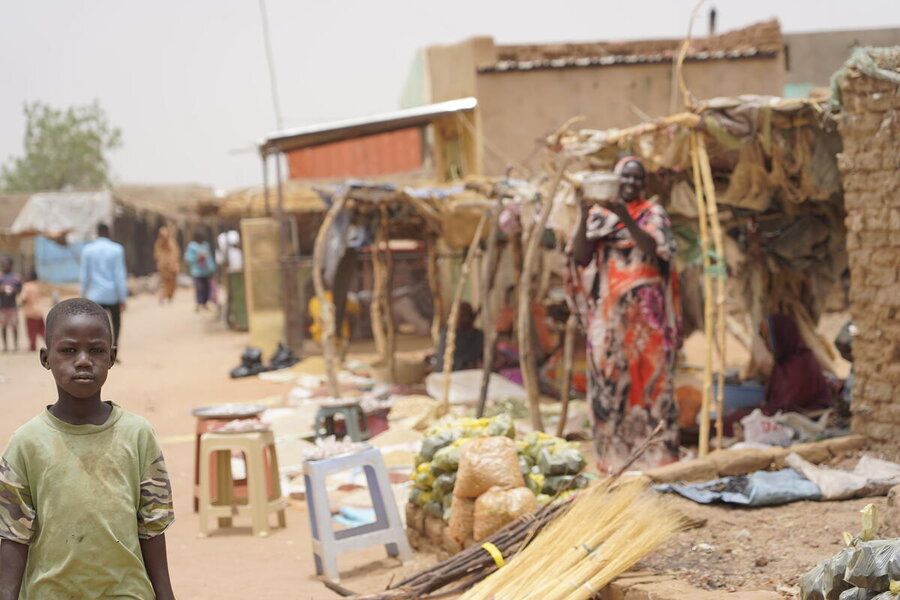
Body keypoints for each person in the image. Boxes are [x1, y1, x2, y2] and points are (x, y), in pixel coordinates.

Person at [0, 298, 175, 600]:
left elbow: (152, 529)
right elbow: (13, 538)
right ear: (45, 358)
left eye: (95, 350)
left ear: (111, 356)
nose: (83, 360)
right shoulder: (26, 443)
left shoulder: (137, 435)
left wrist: (166, 596)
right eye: (68, 350)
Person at [567, 157, 681, 471]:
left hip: (648, 320)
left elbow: (652, 248)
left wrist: (625, 218)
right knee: (608, 384)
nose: (630, 184)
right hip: (609, 317)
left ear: (643, 184)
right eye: (625, 178)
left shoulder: (653, 214)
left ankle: (658, 458)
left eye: (636, 179)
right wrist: (583, 214)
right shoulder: (599, 217)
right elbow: (580, 257)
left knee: (651, 385)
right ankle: (614, 460)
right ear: (616, 182)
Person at [762, 313, 833, 415]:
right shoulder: (782, 363)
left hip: (805, 417)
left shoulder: (803, 363)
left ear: (781, 335)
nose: (766, 343)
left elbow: (793, 402)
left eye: (768, 338)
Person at [80, 223, 127, 350]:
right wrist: (123, 297)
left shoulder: (88, 250)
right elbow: (119, 275)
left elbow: (85, 275)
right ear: (108, 232)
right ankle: (113, 349)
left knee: (95, 325)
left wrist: (83, 295)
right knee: (115, 324)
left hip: (95, 295)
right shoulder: (117, 249)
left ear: (97, 233)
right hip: (112, 295)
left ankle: (96, 349)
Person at [432, 302, 484, 372]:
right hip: (450, 374)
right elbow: (442, 364)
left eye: (464, 315)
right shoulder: (447, 333)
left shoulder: (478, 335)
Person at [183, 232, 216, 312]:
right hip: (196, 272)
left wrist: (212, 268)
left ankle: (205, 304)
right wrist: (198, 257)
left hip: (206, 271)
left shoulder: (205, 245)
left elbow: (209, 258)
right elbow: (187, 258)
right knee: (199, 288)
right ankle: (198, 304)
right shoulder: (192, 246)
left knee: (206, 288)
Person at [153, 226, 181, 304]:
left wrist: (173, 263)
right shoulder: (158, 244)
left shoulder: (172, 243)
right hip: (163, 267)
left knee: (172, 282)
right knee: (163, 282)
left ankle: (170, 296)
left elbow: (175, 254)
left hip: (172, 266)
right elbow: (156, 255)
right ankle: (162, 296)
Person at [20, 269, 45, 352]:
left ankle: (32, 346)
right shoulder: (36, 285)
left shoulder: (26, 286)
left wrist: (21, 304)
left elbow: (24, 298)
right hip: (39, 311)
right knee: (42, 330)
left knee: (31, 331)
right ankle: (50, 344)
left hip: (30, 312)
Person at [0, 257, 22, 352]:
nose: (6, 266)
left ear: (11, 266)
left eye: (7, 264)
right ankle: (5, 347)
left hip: (12, 306)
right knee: (4, 327)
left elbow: (20, 290)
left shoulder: (15, 277)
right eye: (4, 265)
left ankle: (15, 346)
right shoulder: (0, 277)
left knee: (14, 326)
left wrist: (14, 290)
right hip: (2, 306)